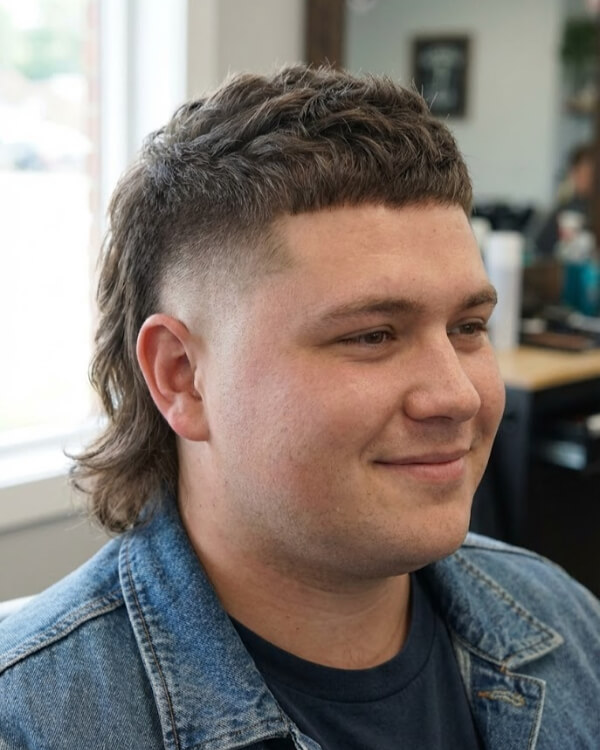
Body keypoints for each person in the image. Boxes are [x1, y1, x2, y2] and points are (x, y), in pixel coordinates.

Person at [1, 65, 599, 750]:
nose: (458, 395)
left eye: (468, 328)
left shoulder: (565, 627)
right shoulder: (32, 725)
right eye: (372, 336)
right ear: (183, 377)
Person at [535, 142, 595, 257]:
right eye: (584, 173)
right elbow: (541, 247)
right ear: (573, 173)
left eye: (592, 174)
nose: (589, 179)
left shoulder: (594, 210)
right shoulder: (564, 210)